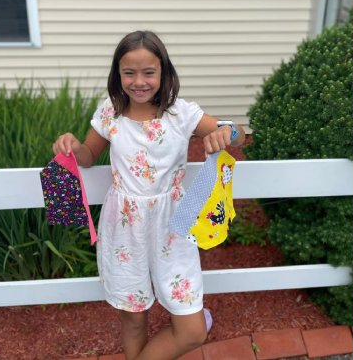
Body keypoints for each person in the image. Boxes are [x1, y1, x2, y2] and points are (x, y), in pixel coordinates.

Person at [52, 30, 245, 360]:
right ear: (118, 74)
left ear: (163, 72)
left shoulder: (180, 114)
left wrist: (228, 132)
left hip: (173, 226)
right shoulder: (109, 114)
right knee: (133, 320)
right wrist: (69, 145)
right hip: (125, 228)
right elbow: (86, 156)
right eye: (129, 72)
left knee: (192, 330)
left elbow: (238, 135)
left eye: (148, 72)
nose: (138, 81)